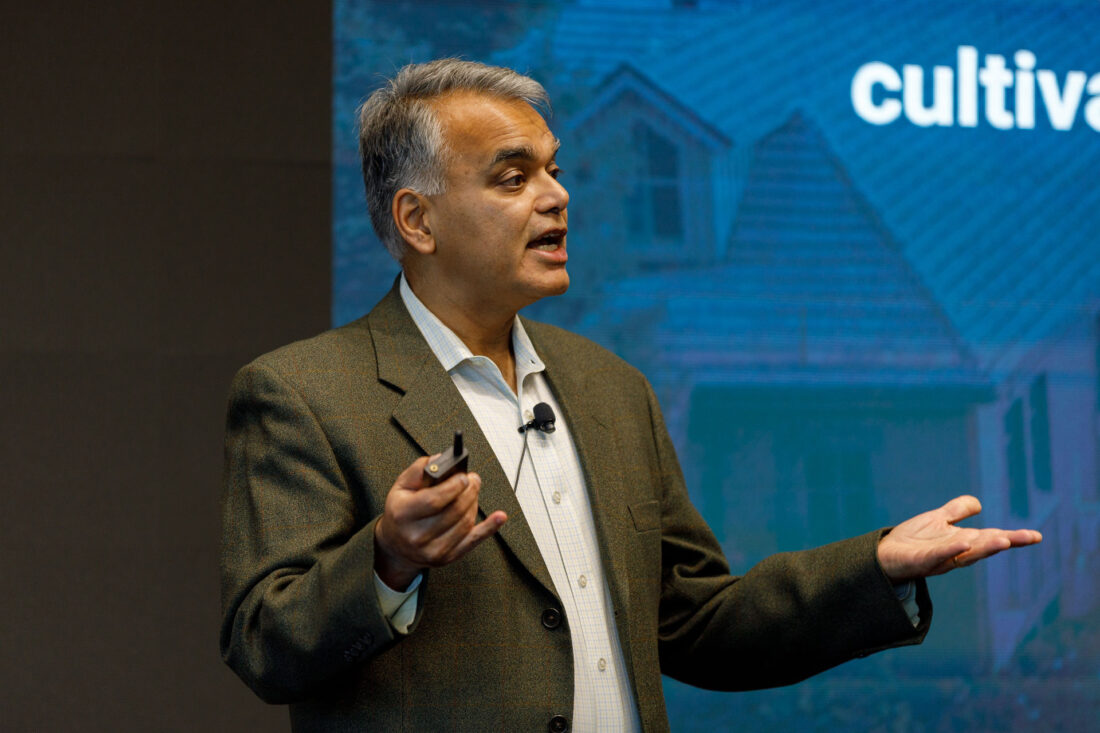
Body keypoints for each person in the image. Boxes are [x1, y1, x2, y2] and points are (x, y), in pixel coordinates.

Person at [220, 59, 1041, 732]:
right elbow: (264, 641)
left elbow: (696, 624)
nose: (556, 196)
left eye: (554, 170)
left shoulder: (609, 390)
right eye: (513, 178)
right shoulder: (302, 393)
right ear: (417, 220)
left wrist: (875, 566)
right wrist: (388, 560)